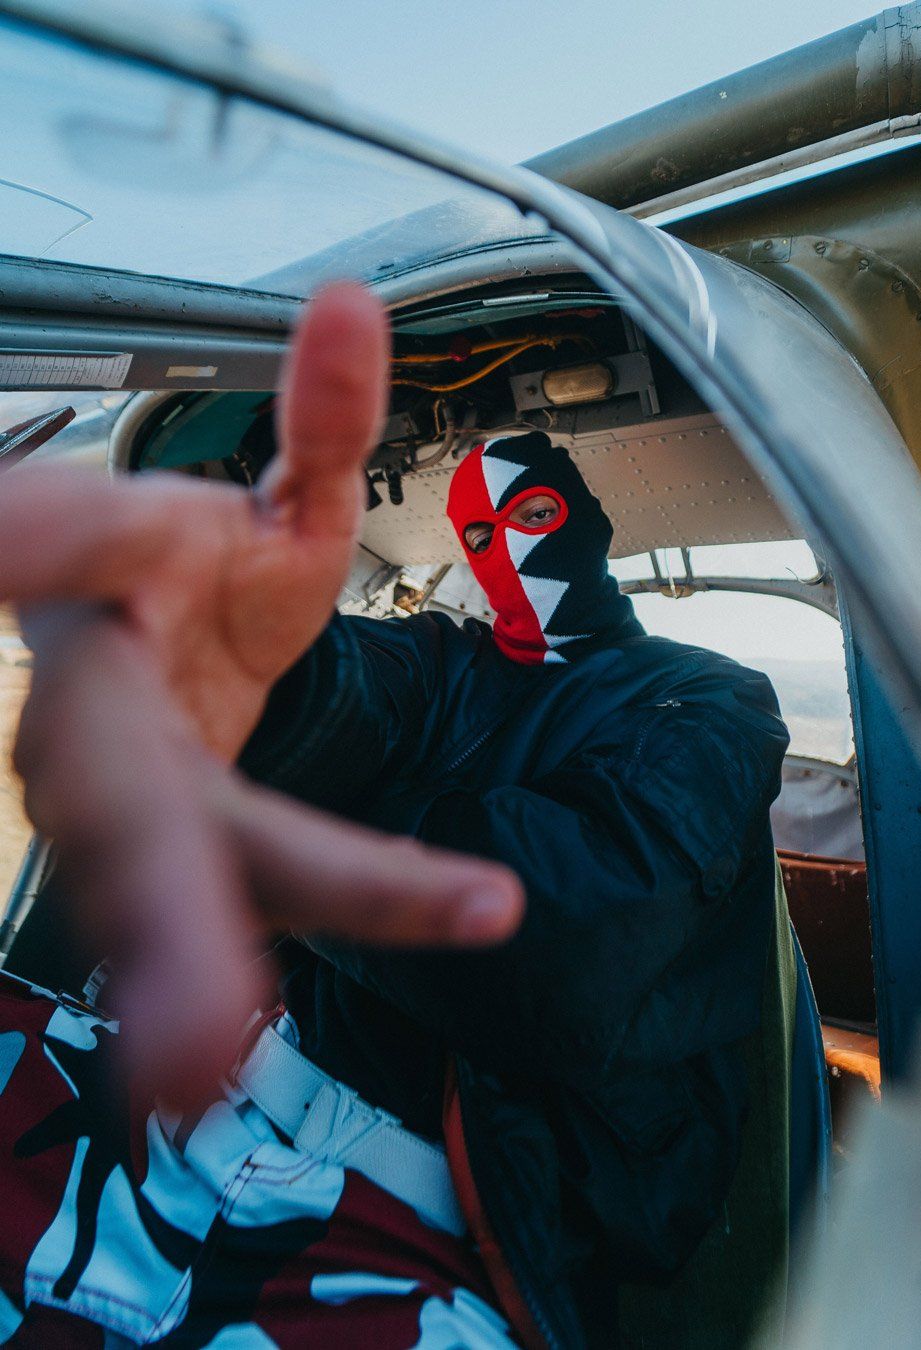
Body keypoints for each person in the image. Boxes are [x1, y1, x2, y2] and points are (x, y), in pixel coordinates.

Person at [0, 284, 791, 1347]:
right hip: (239, 1084)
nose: (509, 551)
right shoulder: (446, 658)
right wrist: (248, 669)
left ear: (588, 525)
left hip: (494, 1177)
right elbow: (352, 692)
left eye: (534, 517)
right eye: (480, 534)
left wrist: (311, 841)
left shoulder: (705, 696)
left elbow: (571, 929)